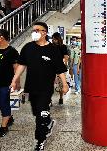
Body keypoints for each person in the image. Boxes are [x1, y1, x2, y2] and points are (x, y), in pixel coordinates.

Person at [10, 22, 69, 150]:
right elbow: (21, 65)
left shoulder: (53, 50)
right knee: (38, 114)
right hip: (31, 87)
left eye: (37, 30)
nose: (34, 32)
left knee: (40, 116)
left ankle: (40, 141)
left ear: (44, 32)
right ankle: (48, 122)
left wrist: (65, 85)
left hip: (46, 89)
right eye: (33, 30)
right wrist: (14, 80)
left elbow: (60, 69)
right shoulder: (28, 47)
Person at [0, 29, 19, 137]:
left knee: (3, 103)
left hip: (5, 84)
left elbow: (16, 69)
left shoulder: (12, 51)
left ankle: (3, 127)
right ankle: (9, 118)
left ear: (1, 38)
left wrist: (16, 83)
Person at [52, 32, 69, 104]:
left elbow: (66, 57)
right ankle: (50, 100)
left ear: (58, 39)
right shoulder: (51, 46)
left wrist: (65, 65)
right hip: (51, 67)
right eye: (53, 39)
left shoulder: (63, 46)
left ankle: (61, 97)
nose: (53, 40)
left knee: (61, 84)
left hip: (60, 68)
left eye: (55, 39)